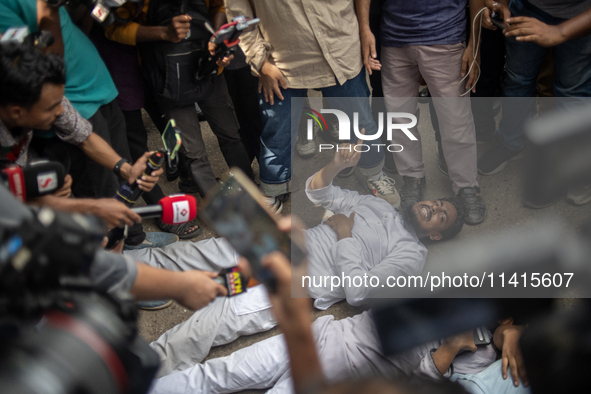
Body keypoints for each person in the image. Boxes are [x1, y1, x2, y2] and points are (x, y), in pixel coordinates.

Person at [225, 0, 401, 213]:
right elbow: (239, 13)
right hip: (280, 63)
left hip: (341, 49)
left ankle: (375, 175)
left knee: (360, 122)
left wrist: (365, 28)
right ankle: (271, 193)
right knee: (277, 133)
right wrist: (261, 63)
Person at [104, 0, 255, 198]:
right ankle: (218, 210)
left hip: (209, 68)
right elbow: (112, 27)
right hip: (166, 77)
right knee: (193, 152)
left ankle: (250, 192)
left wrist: (217, 39)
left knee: (230, 134)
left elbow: (219, 5)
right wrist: (162, 33)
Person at [356, 0, 488, 225]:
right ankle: (412, 176)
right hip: (394, 37)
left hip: (445, 35)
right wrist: (364, 28)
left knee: (456, 119)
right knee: (400, 118)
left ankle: (467, 186)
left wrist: (474, 45)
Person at [477, 0, 591, 192]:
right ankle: (512, 142)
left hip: (582, 13)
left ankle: (574, 163)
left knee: (573, 90)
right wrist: (499, 2)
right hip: (527, 7)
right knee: (518, 79)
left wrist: (560, 32)